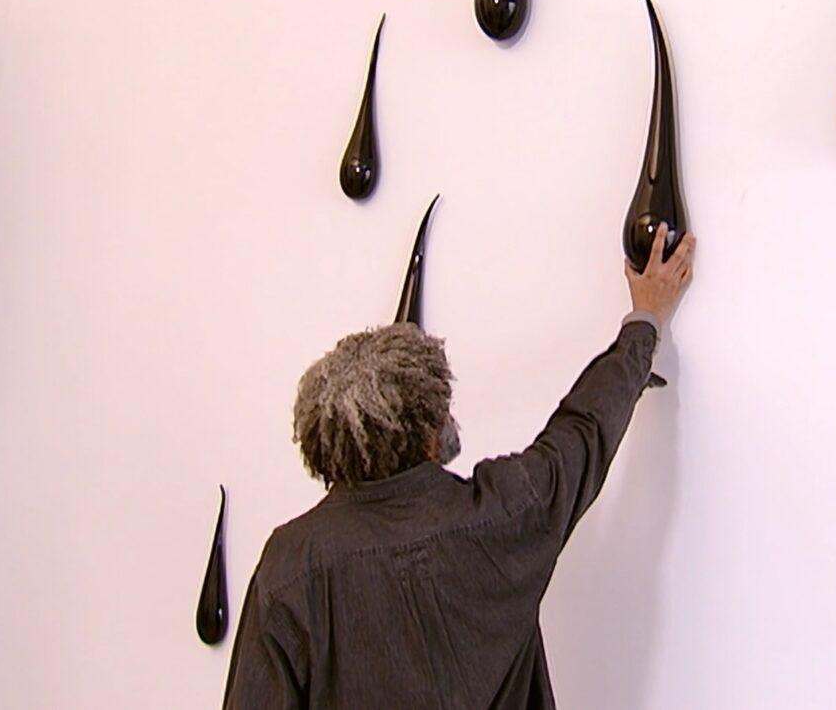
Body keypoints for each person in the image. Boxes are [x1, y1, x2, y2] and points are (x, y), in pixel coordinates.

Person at [223, 225, 697, 709]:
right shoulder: (504, 512)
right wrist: (645, 319)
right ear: (428, 430)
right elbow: (584, 430)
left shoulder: (291, 563)